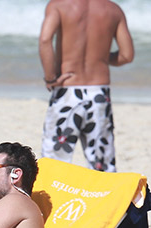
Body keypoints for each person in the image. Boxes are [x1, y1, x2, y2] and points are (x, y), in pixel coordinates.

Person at [39, 0, 134, 172]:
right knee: (102, 164)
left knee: (54, 163)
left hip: (67, 91)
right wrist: (102, 58)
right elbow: (126, 55)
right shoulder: (113, 9)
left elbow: (45, 40)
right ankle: (104, 198)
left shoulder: (58, 5)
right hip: (98, 93)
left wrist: (50, 77)